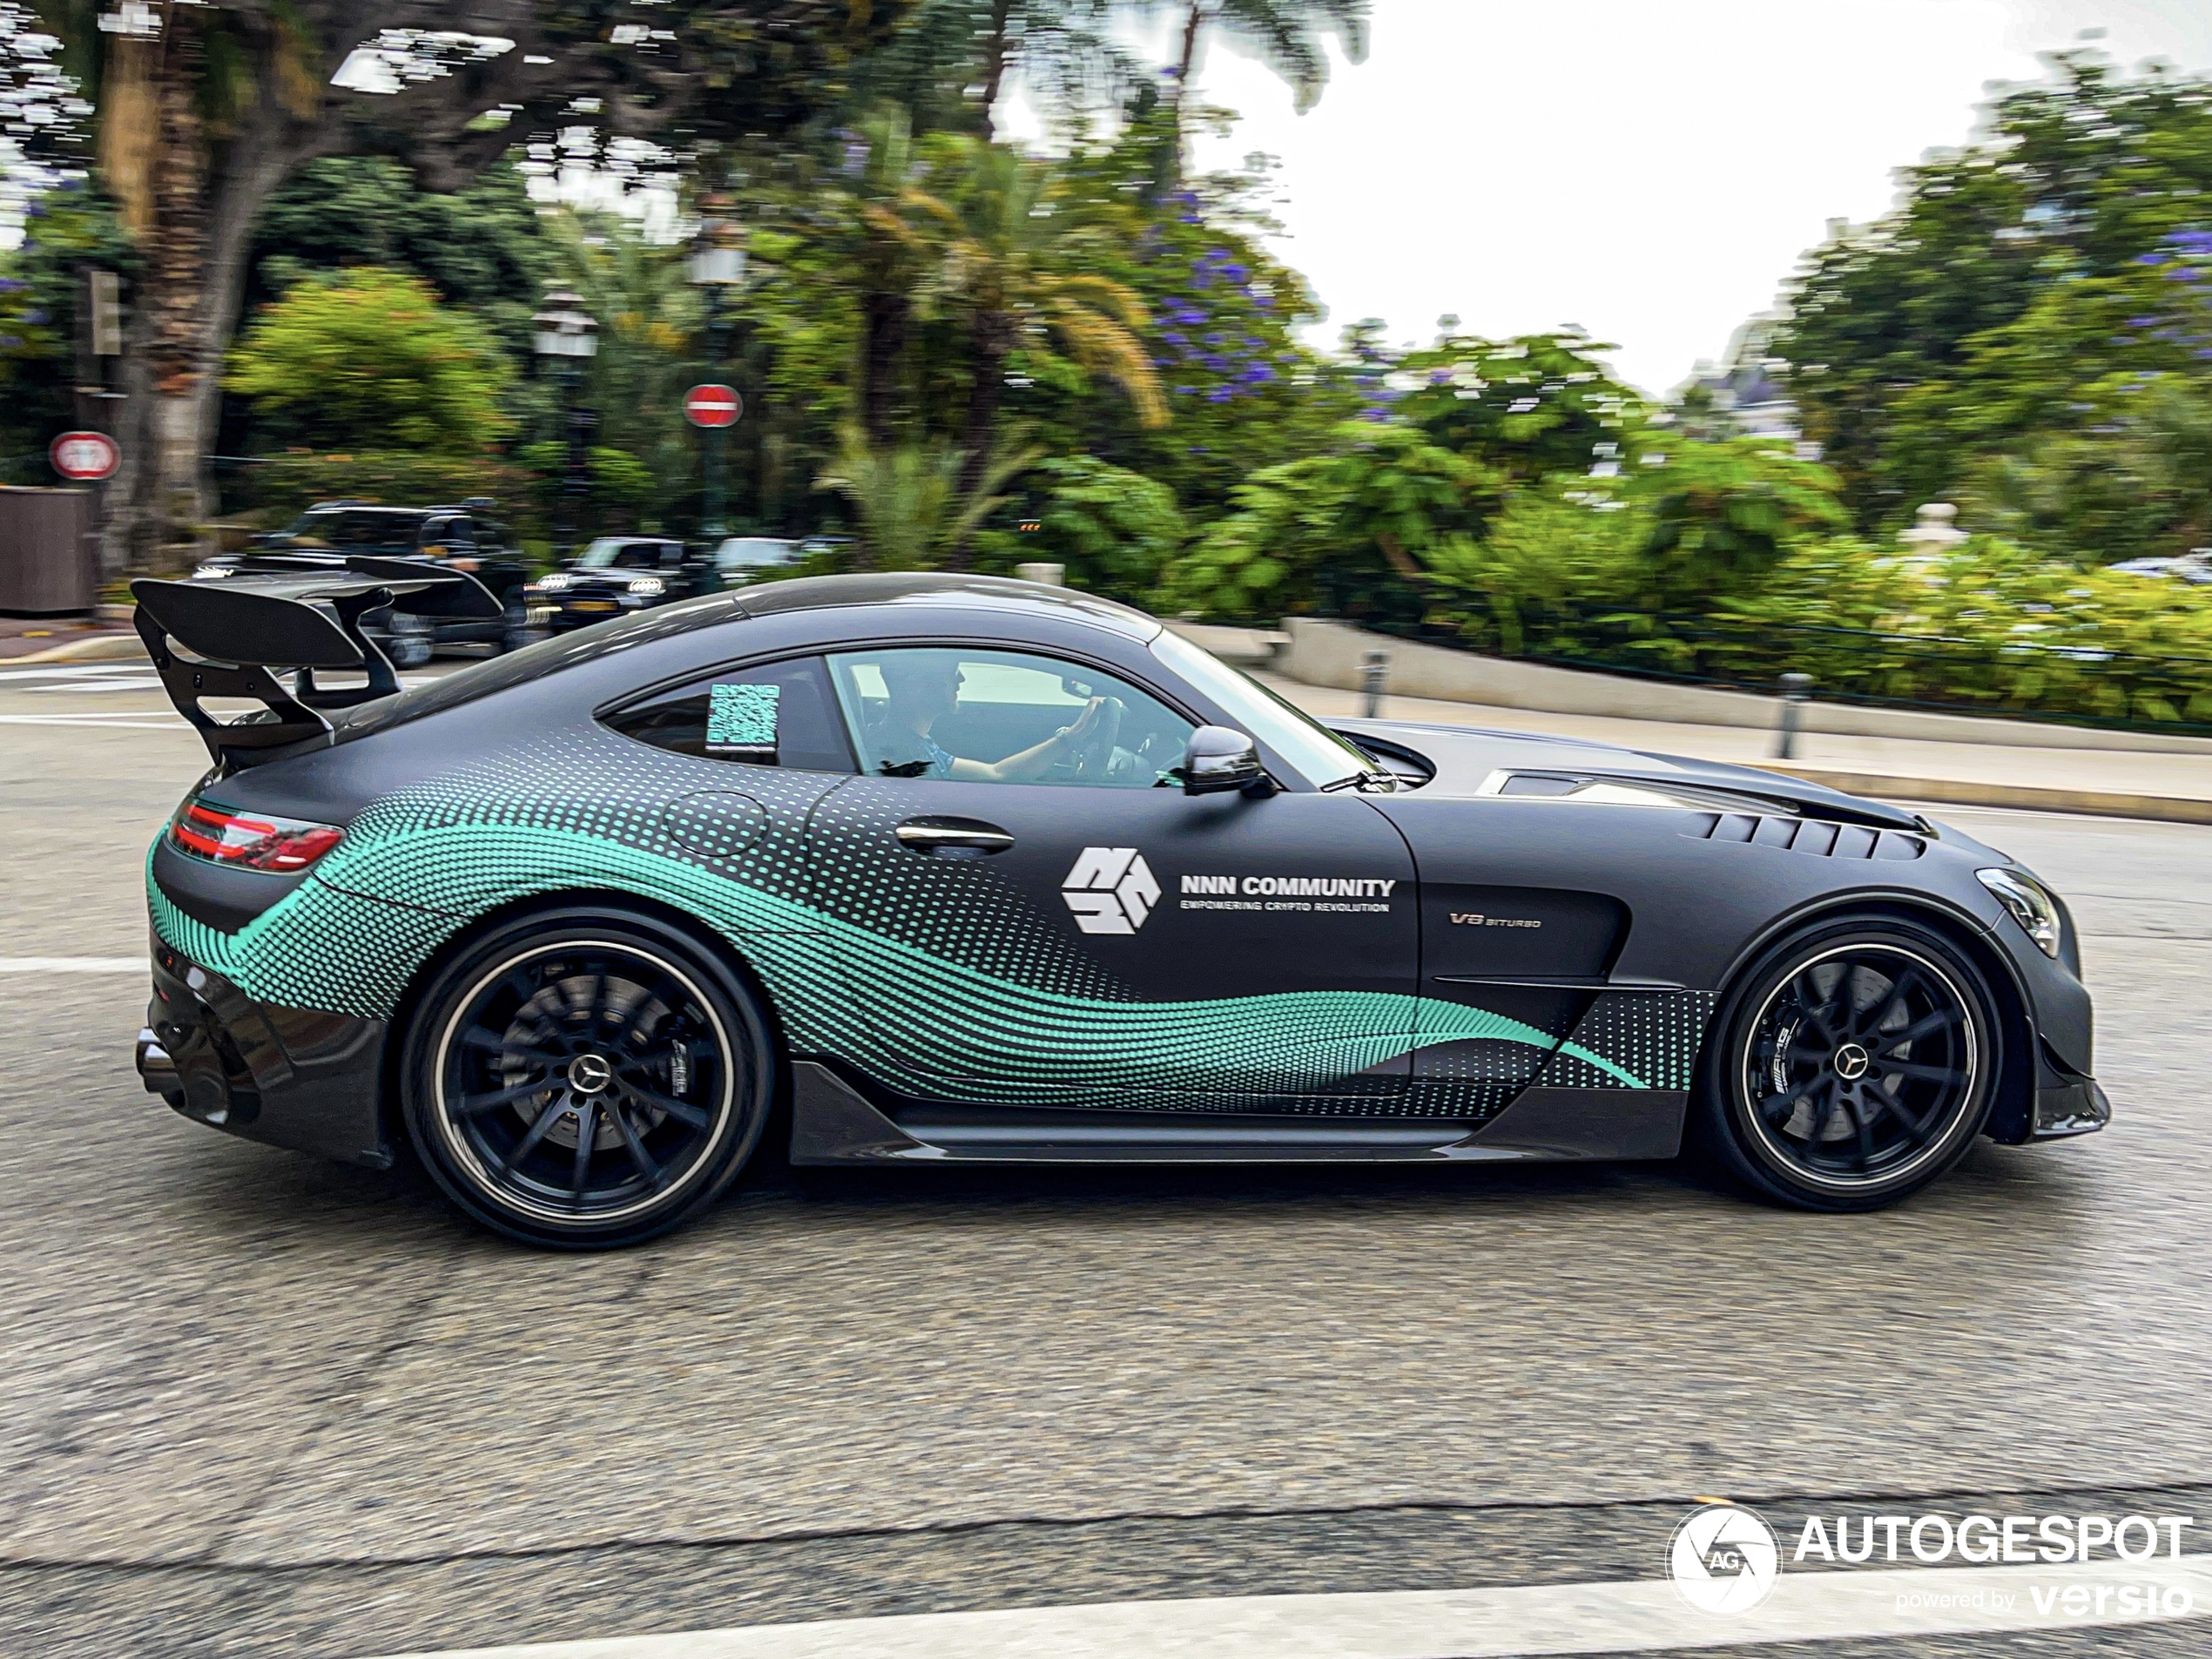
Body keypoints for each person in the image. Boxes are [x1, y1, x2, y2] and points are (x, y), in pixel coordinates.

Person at [870, 655, 1114, 782]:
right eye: (953, 672)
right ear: (917, 686)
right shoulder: (903, 756)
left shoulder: (914, 744)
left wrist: (1071, 737)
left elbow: (996, 773)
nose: (961, 679)